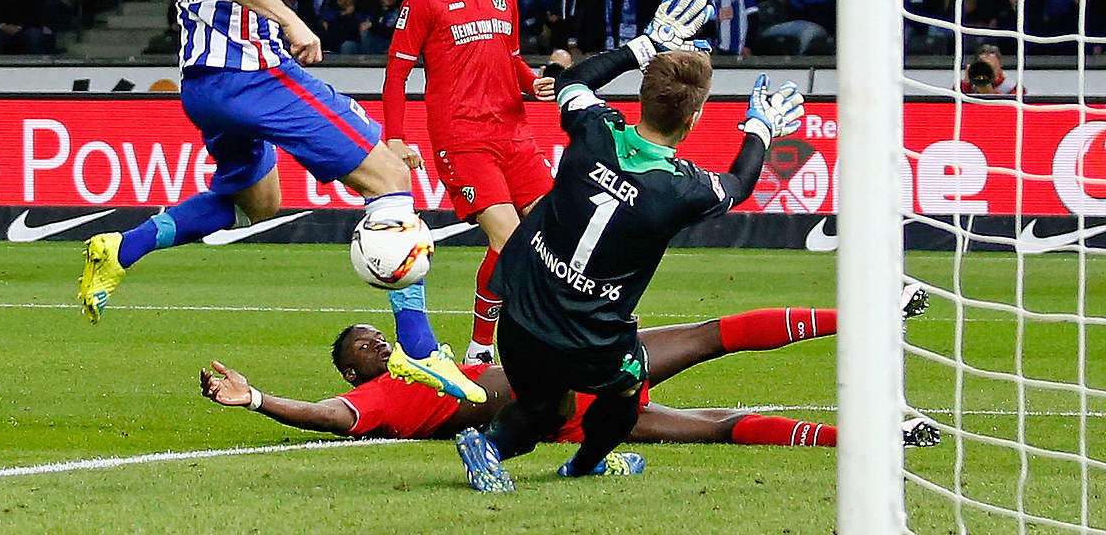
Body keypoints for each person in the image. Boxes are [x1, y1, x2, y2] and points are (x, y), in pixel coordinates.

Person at [75, 0, 484, 405]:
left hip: (201, 82)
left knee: (258, 200)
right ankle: (421, 350)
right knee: (391, 175)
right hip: (253, 74)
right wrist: (287, 17)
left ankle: (120, 248)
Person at [454, 0, 807, 491]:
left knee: (539, 406)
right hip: (589, 336)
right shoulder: (684, 189)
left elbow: (574, 79)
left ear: (640, 99)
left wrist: (644, 45)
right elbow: (739, 185)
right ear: (694, 120)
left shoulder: (596, 130)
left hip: (522, 309)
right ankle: (586, 462)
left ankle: (489, 444)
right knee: (625, 390)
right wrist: (760, 128)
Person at [200, 287, 937, 447]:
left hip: (582, 361)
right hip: (577, 408)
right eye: (362, 347)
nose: (375, 343)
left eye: (372, 334)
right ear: (359, 374)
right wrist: (259, 397)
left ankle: (872, 312)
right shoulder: (392, 398)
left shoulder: (436, 360)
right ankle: (876, 440)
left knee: (714, 334)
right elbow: (331, 417)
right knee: (713, 428)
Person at [382, 0, 557, 366]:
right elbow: (396, 75)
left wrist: (532, 82)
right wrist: (395, 139)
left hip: (515, 134)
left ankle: (506, 342)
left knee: (551, 237)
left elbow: (512, 57)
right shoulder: (423, 0)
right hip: (463, 140)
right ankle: (483, 347)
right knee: (512, 241)